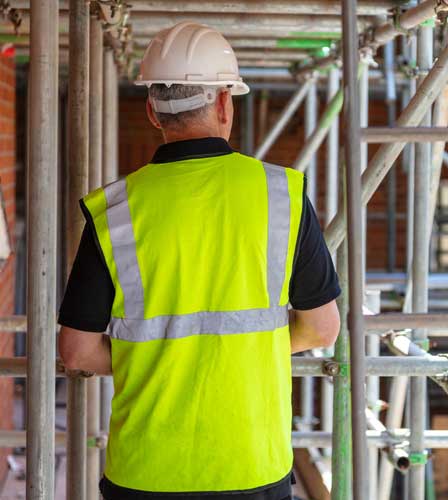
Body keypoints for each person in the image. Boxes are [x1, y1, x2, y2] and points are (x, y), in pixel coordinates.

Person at [57, 21, 341, 500]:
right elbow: (320, 329)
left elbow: (78, 352)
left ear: (153, 111)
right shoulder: (282, 195)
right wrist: (245, 355)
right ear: (226, 102)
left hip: (146, 472)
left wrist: (159, 357)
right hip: (253, 465)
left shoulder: (114, 210)